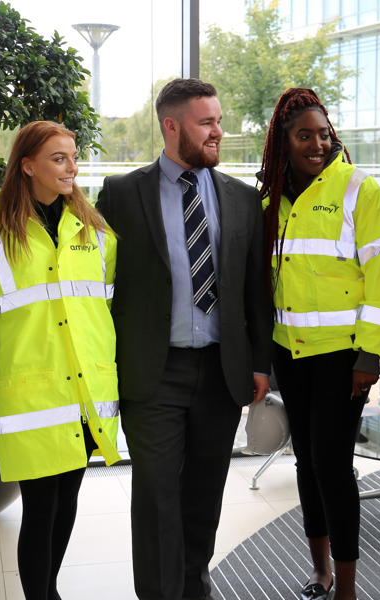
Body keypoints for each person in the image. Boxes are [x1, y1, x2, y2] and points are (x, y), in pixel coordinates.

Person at [96, 78, 272, 600]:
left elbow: (255, 291)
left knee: (205, 489)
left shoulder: (242, 199)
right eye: (207, 122)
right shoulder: (123, 193)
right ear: (171, 126)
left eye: (219, 119)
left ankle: (195, 581)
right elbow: (98, 281)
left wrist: (260, 363)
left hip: (222, 370)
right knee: (155, 494)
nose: (219, 130)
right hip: (154, 371)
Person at [259, 87, 380, 600]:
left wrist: (370, 354)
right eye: (305, 136)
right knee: (305, 461)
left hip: (344, 356)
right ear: (283, 142)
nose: (318, 144)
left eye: (324, 134)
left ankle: (347, 586)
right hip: (290, 352)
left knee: (333, 464)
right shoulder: (270, 200)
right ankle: (318, 570)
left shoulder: (358, 190)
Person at [0, 120, 121, 599]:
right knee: (40, 509)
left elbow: (106, 306)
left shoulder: (97, 232)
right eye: (59, 159)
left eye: (73, 158)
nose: (71, 168)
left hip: (84, 391)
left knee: (68, 503)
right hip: (31, 394)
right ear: (27, 166)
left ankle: (51, 590)